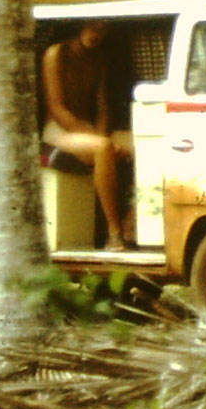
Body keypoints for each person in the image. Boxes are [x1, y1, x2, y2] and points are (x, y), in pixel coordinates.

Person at [41, 21, 134, 248]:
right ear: (80, 24)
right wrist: (99, 139)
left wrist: (100, 133)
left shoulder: (98, 59)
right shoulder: (57, 53)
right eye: (92, 27)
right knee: (102, 148)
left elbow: (102, 108)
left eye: (102, 29)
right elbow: (57, 109)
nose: (96, 34)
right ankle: (114, 233)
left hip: (89, 130)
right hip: (58, 130)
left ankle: (132, 219)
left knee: (138, 142)